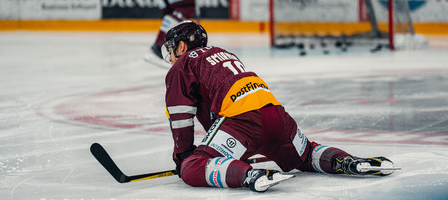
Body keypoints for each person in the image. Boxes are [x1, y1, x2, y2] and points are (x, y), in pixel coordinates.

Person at [162, 20, 397, 192]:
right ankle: (347, 161)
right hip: (276, 116)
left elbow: (180, 114)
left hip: (243, 121)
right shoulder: (223, 54)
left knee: (193, 168)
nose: (170, 56)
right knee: (306, 155)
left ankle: (248, 176)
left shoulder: (182, 65)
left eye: (170, 49)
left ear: (182, 47)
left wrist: (183, 155)